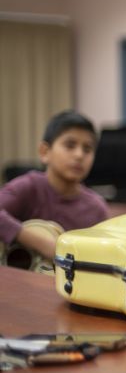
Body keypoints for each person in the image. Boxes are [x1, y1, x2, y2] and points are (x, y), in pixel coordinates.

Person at [0, 110, 109, 263]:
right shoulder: (29, 187)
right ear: (45, 152)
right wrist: (43, 244)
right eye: (70, 145)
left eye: (87, 149)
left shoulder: (97, 208)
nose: (79, 155)